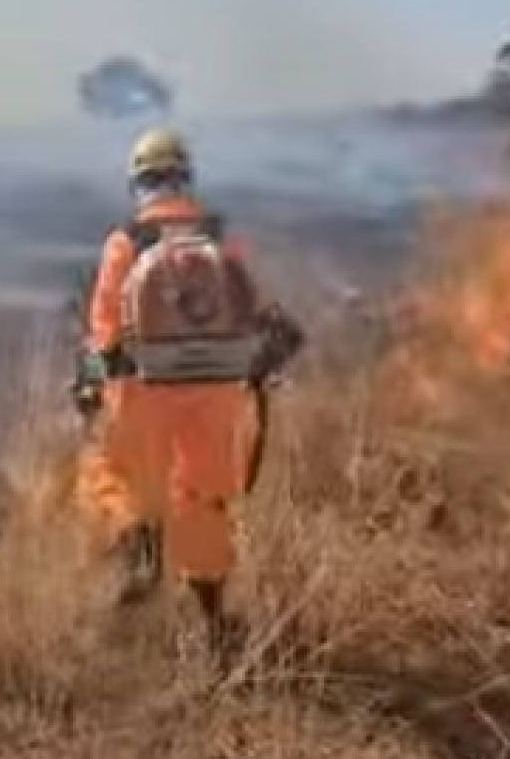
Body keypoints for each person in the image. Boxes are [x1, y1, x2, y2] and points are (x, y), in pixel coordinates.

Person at [73, 126, 304, 658]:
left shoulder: (128, 241)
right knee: (202, 498)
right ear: (187, 179)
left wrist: (94, 388)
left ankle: (140, 554)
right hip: (219, 389)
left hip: (144, 386)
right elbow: (260, 310)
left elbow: (103, 330)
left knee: (113, 472)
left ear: (139, 182)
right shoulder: (221, 238)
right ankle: (214, 620)